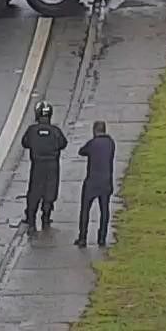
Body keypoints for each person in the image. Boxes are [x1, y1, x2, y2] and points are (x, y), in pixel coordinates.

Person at [20, 101, 67, 231]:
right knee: (50, 190)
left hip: (38, 165)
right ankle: (46, 216)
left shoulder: (32, 130)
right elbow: (63, 143)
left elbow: (25, 143)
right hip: (52, 165)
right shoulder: (56, 131)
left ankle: (31, 218)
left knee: (35, 191)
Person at [75, 120, 116, 248]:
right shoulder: (110, 143)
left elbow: (81, 151)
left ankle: (83, 237)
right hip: (106, 181)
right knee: (104, 210)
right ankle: (102, 238)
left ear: (94, 131)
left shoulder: (92, 143)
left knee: (85, 209)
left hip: (92, 181)